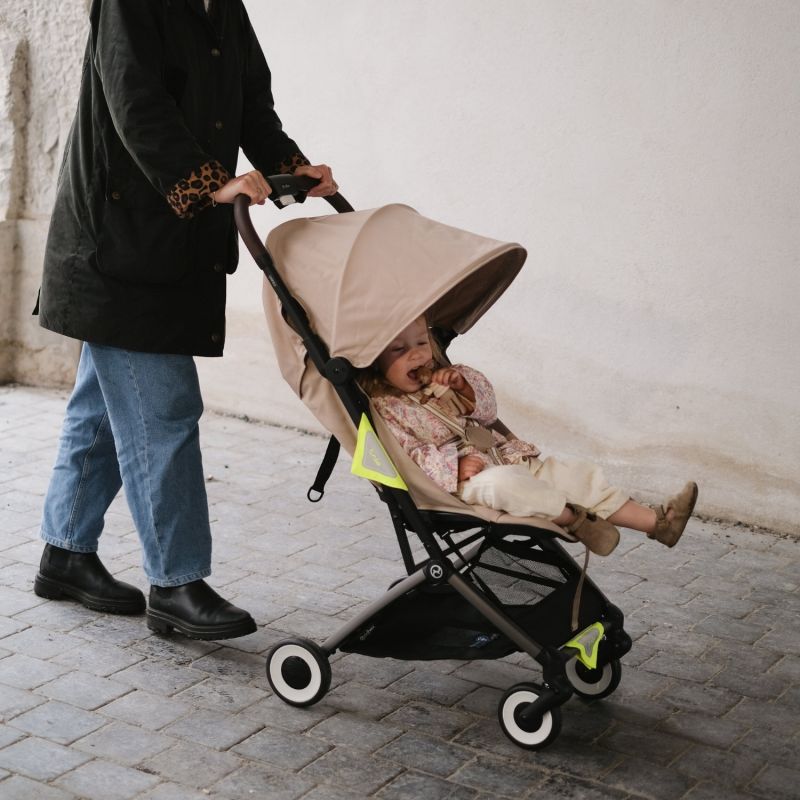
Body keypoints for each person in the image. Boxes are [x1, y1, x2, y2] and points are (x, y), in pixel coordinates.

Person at [33, 0, 338, 640]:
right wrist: (209, 183)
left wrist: (290, 164)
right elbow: (135, 101)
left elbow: (250, 95)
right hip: (117, 243)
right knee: (162, 410)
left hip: (170, 245)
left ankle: (64, 553)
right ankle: (176, 584)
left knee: (104, 407)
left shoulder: (222, 5)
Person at [361, 317, 698, 555]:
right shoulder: (385, 407)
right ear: (374, 362)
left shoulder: (451, 379)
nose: (417, 354)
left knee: (572, 476)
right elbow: (407, 454)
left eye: (422, 342)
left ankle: (658, 523)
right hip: (461, 484)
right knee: (505, 485)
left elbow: (488, 413)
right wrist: (454, 465)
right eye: (399, 350)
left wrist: (464, 386)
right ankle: (575, 519)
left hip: (503, 454)